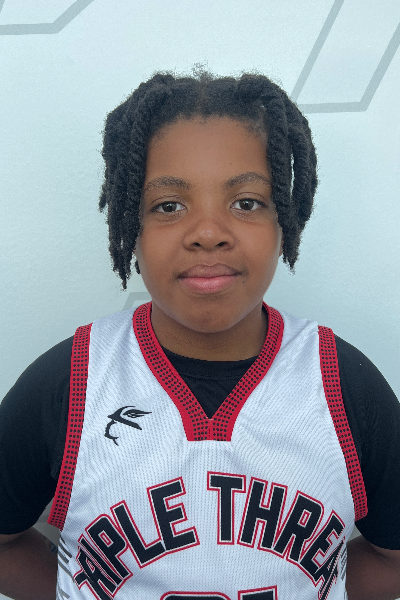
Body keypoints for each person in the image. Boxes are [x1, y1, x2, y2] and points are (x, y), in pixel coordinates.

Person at [0, 68, 399, 600]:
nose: (208, 233)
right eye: (169, 206)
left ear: (284, 220)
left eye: (246, 202)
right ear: (131, 226)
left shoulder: (344, 384)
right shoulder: (69, 382)